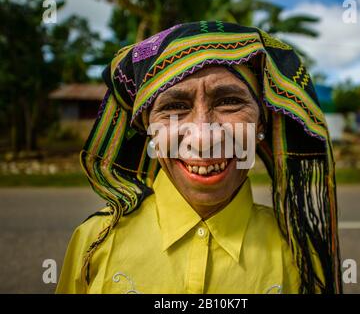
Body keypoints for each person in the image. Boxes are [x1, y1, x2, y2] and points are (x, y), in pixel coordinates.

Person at [56, 21, 342, 294]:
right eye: (175, 106)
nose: (204, 139)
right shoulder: (94, 241)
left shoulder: (301, 254)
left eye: (229, 102)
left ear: (261, 125)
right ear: (148, 129)